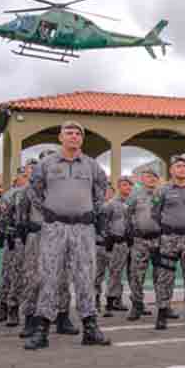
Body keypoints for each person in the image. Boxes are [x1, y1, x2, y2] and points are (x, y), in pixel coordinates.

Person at [23, 121, 111, 350]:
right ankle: (42, 329)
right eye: (68, 133)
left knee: (85, 277)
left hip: (83, 228)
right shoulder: (47, 164)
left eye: (77, 133)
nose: (73, 136)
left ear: (82, 139)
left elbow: (102, 190)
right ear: (60, 138)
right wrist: (48, 211)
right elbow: (33, 190)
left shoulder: (91, 166)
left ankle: (90, 328)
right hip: (55, 228)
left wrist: (92, 210)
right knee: (49, 276)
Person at [17, 149, 79, 339]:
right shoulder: (29, 190)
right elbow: (21, 217)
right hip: (38, 236)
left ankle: (62, 317)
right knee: (33, 279)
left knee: (63, 278)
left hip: (63, 234)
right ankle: (30, 319)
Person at [150, 155, 185, 330]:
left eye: (184, 166)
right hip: (169, 238)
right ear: (171, 170)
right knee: (165, 278)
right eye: (177, 166)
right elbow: (154, 213)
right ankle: (162, 313)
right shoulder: (162, 190)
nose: (181, 169)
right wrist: (165, 228)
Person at [0, 169, 28, 326]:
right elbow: (0, 217)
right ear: (18, 178)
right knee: (11, 274)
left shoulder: (40, 192)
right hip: (15, 239)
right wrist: (6, 232)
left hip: (34, 238)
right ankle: (8, 307)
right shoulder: (11, 194)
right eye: (25, 176)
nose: (27, 179)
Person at [125, 167, 161, 321]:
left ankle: (164, 306)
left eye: (154, 176)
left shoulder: (162, 194)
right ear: (142, 179)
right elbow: (127, 215)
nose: (151, 179)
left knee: (162, 275)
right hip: (140, 240)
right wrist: (131, 233)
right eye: (148, 176)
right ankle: (137, 305)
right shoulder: (134, 196)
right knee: (137, 275)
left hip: (160, 240)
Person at [101, 176, 133, 316]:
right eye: (125, 185)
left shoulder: (131, 203)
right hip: (116, 242)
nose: (128, 188)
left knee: (128, 274)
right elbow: (104, 223)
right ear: (119, 187)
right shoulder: (111, 204)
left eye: (129, 185)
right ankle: (109, 303)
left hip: (129, 242)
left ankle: (119, 301)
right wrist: (108, 239)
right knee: (115, 272)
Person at [93, 185, 115, 314]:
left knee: (113, 275)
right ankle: (95, 300)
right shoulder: (95, 208)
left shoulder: (117, 207)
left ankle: (111, 302)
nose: (107, 194)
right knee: (97, 275)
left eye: (110, 192)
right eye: (105, 191)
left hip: (112, 246)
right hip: (98, 245)